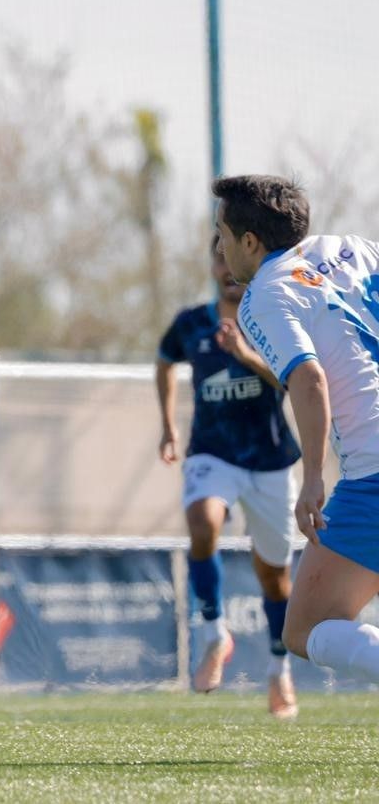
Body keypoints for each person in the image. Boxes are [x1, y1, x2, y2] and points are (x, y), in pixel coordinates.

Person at [215, 174, 379, 693]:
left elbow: (308, 378)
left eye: (222, 233)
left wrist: (311, 477)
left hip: (373, 470)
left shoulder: (264, 294)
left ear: (249, 241)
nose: (218, 247)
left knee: (305, 628)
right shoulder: (353, 249)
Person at [156, 244, 300, 717]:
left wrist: (244, 353)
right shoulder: (191, 323)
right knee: (202, 523)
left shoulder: (274, 320)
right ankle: (215, 631)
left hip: (270, 460)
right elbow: (164, 361)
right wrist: (169, 426)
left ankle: (279, 670)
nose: (226, 269)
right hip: (212, 453)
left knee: (274, 577)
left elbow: (295, 380)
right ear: (214, 267)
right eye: (217, 259)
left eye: (232, 259)